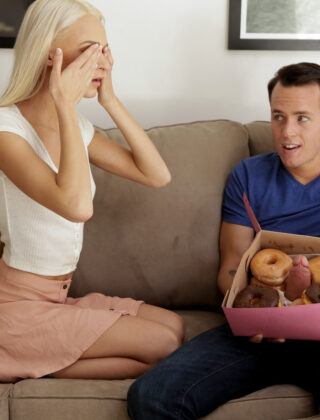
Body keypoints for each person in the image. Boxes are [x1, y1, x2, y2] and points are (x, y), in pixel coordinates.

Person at [0, 0, 185, 383]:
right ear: (48, 54)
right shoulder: (6, 130)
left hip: (56, 298)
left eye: (104, 50)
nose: (101, 61)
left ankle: (26, 361)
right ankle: (14, 360)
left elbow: (156, 175)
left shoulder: (79, 128)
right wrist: (65, 106)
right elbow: (76, 206)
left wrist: (110, 100)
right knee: (161, 347)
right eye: (88, 50)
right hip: (16, 304)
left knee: (174, 327)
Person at [127, 62, 320, 419]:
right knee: (152, 396)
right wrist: (259, 315)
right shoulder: (249, 175)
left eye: (302, 118)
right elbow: (231, 266)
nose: (286, 131)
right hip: (258, 333)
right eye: (278, 116)